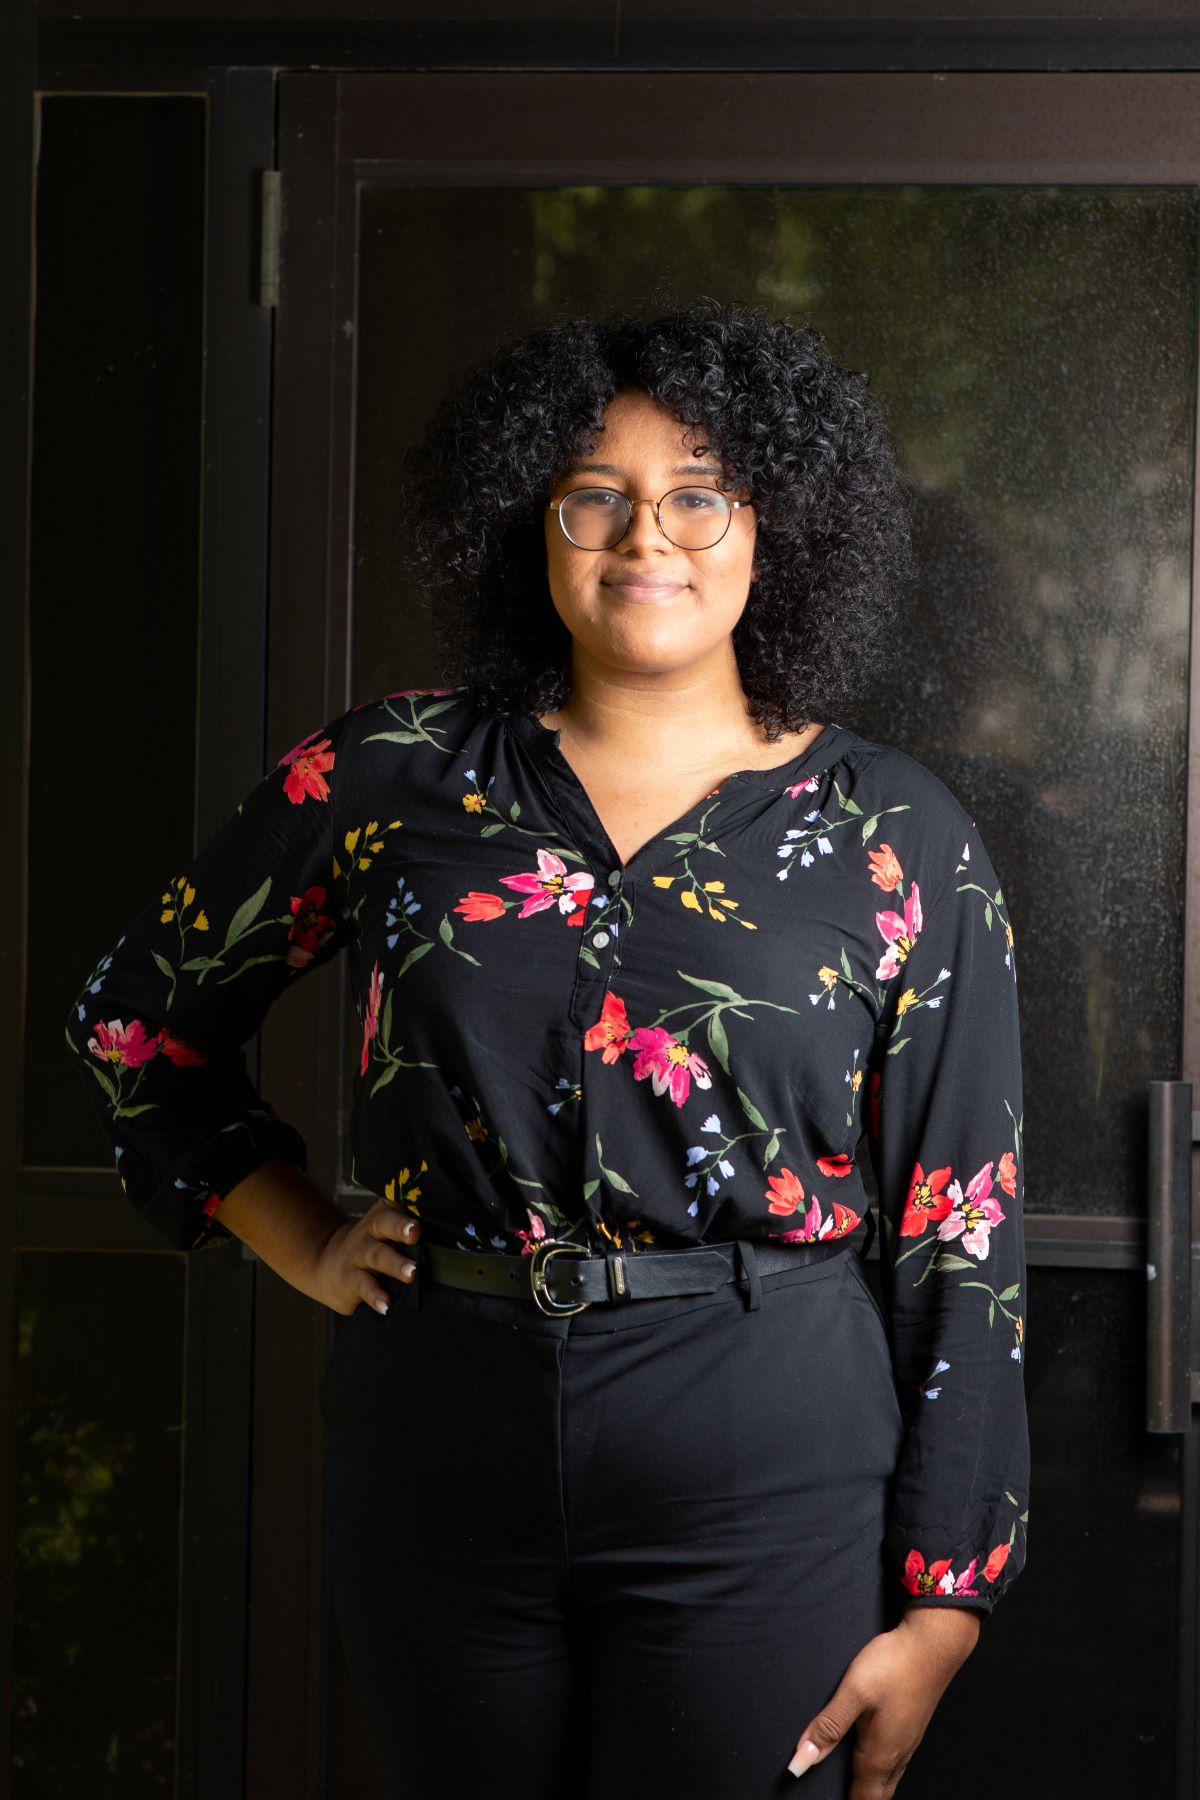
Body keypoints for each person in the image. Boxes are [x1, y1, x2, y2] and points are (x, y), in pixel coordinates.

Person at [64, 298, 1029, 1800]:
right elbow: (139, 1023)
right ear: (532, 522)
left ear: (777, 528)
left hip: (764, 1451)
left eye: (700, 494)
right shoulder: (390, 772)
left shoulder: (896, 835)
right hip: (438, 1436)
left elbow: (962, 1220)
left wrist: (945, 1600)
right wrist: (302, 1235)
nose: (650, 536)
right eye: (598, 495)